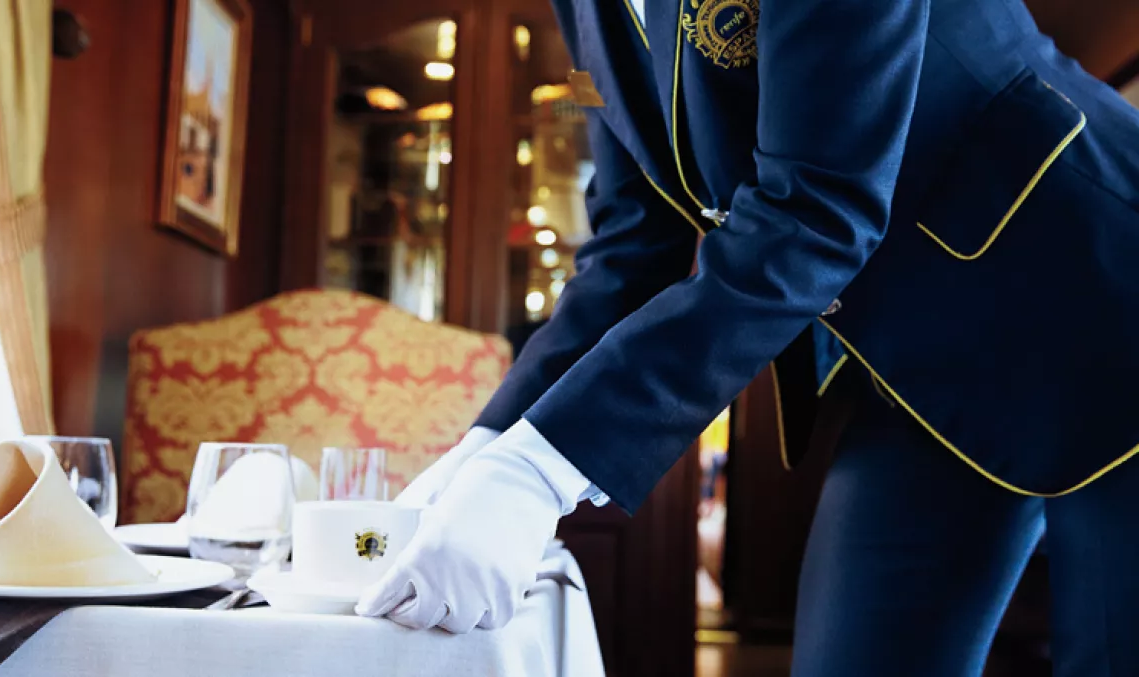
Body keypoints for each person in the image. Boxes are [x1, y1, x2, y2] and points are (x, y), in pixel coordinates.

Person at [355, 0, 1139, 673]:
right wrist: (492, 443)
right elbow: (634, 239)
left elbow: (816, 210)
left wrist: (541, 468)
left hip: (1103, 298)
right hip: (920, 369)